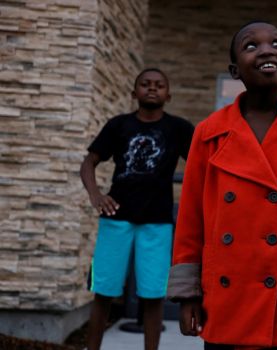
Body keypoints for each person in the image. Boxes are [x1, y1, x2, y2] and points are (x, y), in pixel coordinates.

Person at [166, 21, 277, 350]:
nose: (266, 50)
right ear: (235, 70)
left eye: (276, 43)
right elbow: (192, 220)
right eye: (251, 45)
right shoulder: (209, 132)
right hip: (223, 298)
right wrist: (187, 294)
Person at [80, 68, 195, 350]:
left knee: (153, 294)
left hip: (157, 222)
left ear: (168, 95)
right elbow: (89, 163)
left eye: (159, 85)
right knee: (103, 291)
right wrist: (96, 195)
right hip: (115, 219)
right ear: (134, 93)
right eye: (145, 84)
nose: (152, 89)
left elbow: (200, 166)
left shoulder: (179, 128)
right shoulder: (119, 125)